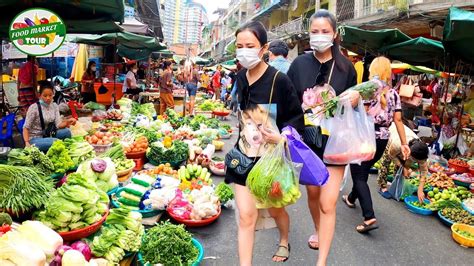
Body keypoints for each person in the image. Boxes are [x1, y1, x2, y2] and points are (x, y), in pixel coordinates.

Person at [227, 21, 304, 265]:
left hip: (271, 162)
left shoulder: (279, 81)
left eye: (250, 45)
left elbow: (297, 121)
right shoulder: (240, 77)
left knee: (275, 209)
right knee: (247, 217)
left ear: (264, 48)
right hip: (243, 157)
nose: (244, 51)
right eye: (239, 46)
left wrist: (282, 137)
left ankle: (284, 239)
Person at [287, 10, 358, 265]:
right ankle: (318, 229)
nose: (319, 36)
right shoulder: (298, 66)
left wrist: (356, 100)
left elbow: (353, 109)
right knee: (314, 196)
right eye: (314, 31)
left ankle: (322, 261)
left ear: (335, 34)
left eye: (324, 31)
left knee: (328, 203)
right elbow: (289, 104)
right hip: (307, 143)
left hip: (335, 143)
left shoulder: (346, 68)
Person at [341, 56, 410, 233]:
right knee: (363, 170)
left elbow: (359, 115)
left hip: (365, 137)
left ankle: (369, 217)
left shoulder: (368, 88)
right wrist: (404, 143)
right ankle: (351, 198)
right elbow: (399, 120)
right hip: (382, 139)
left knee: (359, 175)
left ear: (373, 70)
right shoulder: (394, 93)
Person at [378, 124, 429, 201]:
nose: (417, 162)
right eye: (415, 160)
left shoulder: (421, 151)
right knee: (386, 161)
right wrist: (404, 167)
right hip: (393, 135)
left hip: (407, 138)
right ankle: (383, 187)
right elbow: (392, 156)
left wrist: (420, 189)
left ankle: (395, 184)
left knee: (402, 163)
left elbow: (424, 171)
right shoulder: (396, 144)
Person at [23, 81, 76, 152]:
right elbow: (26, 127)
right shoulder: (34, 108)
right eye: (45, 96)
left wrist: (68, 122)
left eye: (50, 95)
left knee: (67, 132)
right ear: (40, 95)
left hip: (49, 134)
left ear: (53, 94)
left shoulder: (54, 106)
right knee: (55, 142)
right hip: (35, 138)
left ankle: (65, 152)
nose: (48, 98)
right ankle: (58, 150)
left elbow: (58, 124)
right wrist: (26, 142)